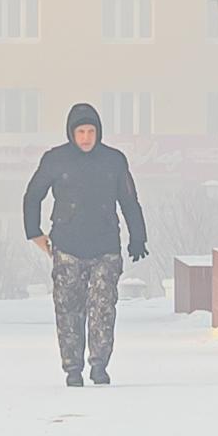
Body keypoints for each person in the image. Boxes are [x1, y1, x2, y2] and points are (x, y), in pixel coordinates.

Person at [22, 102, 148, 388]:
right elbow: (32, 196)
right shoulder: (55, 160)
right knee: (68, 309)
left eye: (91, 131)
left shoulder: (114, 161)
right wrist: (34, 233)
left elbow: (129, 200)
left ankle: (99, 364)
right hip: (67, 247)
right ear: (71, 133)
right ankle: (72, 368)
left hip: (105, 247)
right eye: (81, 131)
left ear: (98, 132)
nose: (86, 137)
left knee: (103, 308)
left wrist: (138, 236)